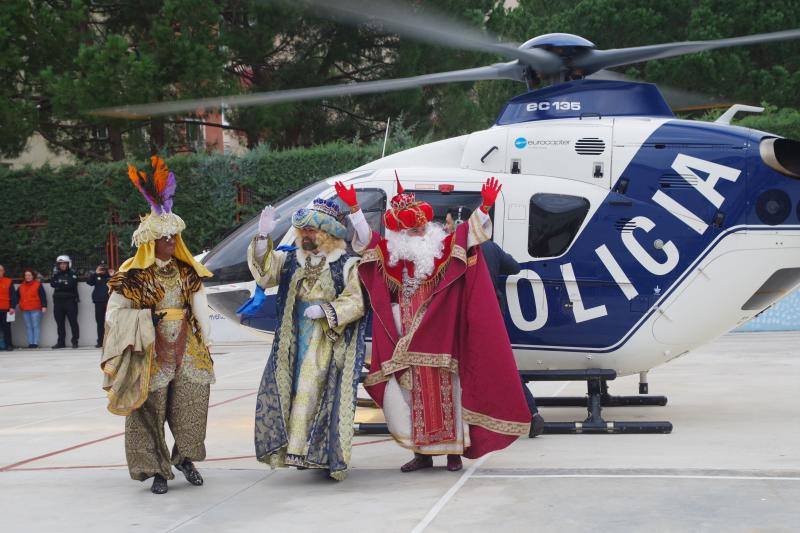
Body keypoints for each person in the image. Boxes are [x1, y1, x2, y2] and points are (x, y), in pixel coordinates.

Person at [336, 175, 531, 473]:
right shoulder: (393, 254)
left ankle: (453, 453)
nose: (422, 231)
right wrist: (354, 208)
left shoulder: (443, 247)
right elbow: (367, 242)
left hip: (441, 333)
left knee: (448, 391)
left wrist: (485, 206)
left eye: (423, 226)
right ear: (401, 233)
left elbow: (469, 234)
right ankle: (422, 453)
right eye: (414, 229)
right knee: (411, 394)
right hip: (407, 335)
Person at [101, 156, 214, 495]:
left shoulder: (187, 271)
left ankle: (185, 457)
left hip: (187, 348)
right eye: (165, 239)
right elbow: (112, 314)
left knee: (193, 400)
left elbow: (200, 306)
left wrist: (206, 339)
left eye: (173, 238)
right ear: (152, 241)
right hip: (150, 351)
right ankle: (156, 469)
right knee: (149, 410)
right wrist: (144, 320)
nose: (171, 243)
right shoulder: (134, 274)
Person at [246, 198, 367, 480]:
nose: (307, 237)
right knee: (294, 391)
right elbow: (264, 274)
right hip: (293, 337)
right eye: (303, 233)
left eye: (312, 232)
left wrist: (327, 311)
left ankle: (318, 455)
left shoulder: (347, 265)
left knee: (318, 393)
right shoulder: (290, 260)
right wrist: (263, 237)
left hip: (327, 339)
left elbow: (357, 301)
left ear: (327, 235)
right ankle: (296, 451)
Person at [479, 239, 545, 438]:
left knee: (492, 366)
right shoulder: (490, 246)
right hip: (494, 313)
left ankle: (529, 414)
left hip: (474, 315)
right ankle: (531, 413)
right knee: (501, 364)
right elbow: (514, 267)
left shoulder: (459, 245)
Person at [50, 255, 79, 349]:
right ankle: (61, 342)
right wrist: (63, 283)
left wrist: (60, 284)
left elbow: (71, 284)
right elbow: (52, 284)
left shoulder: (72, 273)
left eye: (64, 263)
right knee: (59, 323)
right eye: (60, 264)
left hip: (70, 301)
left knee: (73, 322)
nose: (62, 265)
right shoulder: (55, 274)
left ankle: (75, 341)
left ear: (68, 264)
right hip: (58, 302)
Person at [17, 269, 47, 348]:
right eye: (26, 275)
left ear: (33, 276)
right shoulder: (21, 286)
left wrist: (44, 306)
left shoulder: (38, 284)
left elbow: (43, 296)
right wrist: (11, 306)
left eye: (29, 275)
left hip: (35, 308)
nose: (27, 277)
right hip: (25, 309)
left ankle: (35, 343)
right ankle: (30, 343)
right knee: (28, 326)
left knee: (35, 326)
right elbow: (16, 297)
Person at [87, 263, 112, 348]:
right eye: (101, 269)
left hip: (110, 302)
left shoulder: (110, 277)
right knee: (100, 323)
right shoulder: (96, 277)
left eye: (104, 269)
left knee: (111, 322)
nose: (103, 271)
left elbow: (118, 284)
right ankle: (100, 341)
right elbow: (89, 282)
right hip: (99, 302)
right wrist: (95, 273)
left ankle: (111, 341)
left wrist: (112, 275)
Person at [0, 264, 17, 351]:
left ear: (3, 272)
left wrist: (12, 307)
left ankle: (9, 345)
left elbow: (13, 296)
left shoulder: (8, 281)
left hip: (6, 309)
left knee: (7, 328)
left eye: (0, 270)